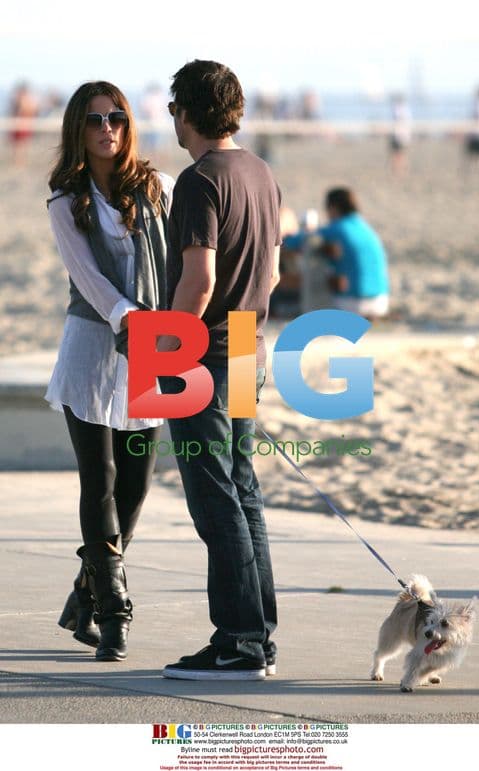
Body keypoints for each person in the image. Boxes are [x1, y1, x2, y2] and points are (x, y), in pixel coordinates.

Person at [158, 60, 281, 681]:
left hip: (204, 347)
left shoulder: (200, 179)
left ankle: (238, 641)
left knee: (215, 498)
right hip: (245, 342)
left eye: (173, 109)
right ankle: (258, 633)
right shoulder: (260, 172)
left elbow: (198, 280)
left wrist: (167, 349)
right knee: (243, 489)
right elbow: (276, 274)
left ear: (186, 110)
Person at [45, 81, 174, 661]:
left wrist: (162, 330)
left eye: (117, 117)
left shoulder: (159, 188)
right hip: (92, 352)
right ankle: (115, 612)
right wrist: (129, 319)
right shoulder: (64, 201)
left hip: (151, 354)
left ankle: (85, 593)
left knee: (137, 484)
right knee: (99, 481)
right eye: (95, 119)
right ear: (79, 128)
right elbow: (90, 280)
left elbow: (177, 264)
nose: (107, 128)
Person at [283, 188, 390, 319]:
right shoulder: (366, 229)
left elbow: (295, 242)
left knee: (313, 252)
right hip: (380, 301)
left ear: (333, 208)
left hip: (354, 304)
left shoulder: (337, 229)